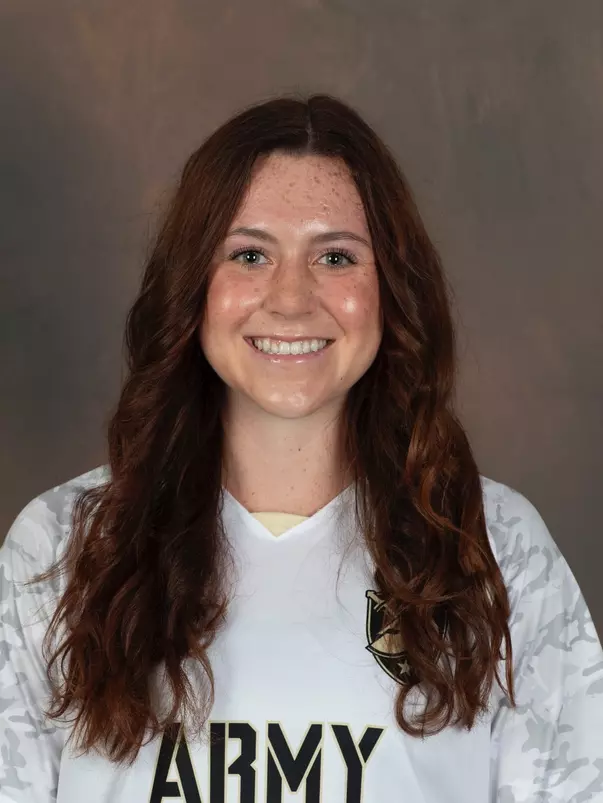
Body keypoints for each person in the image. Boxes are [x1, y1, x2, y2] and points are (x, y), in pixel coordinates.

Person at [1, 94, 602, 803]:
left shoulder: (494, 549)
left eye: (335, 256)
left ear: (390, 291)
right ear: (193, 284)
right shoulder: (64, 548)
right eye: (249, 253)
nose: (290, 298)